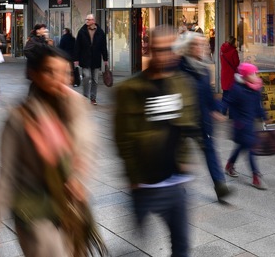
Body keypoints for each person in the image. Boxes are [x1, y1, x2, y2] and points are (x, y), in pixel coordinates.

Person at [0, 44, 107, 256]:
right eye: (50, 72)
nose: (60, 79)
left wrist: (79, 177)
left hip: (68, 205)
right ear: (34, 74)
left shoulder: (75, 106)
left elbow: (87, 146)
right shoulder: (18, 118)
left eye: (65, 73)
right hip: (33, 209)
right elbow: (6, 173)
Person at [113, 25, 199, 257]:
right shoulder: (130, 89)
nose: (164, 55)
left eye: (170, 49)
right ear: (149, 49)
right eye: (159, 50)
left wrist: (184, 159)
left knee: (181, 246)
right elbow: (123, 139)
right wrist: (134, 177)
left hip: (174, 182)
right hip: (145, 183)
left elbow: (188, 124)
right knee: (135, 243)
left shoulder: (183, 83)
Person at [176, 32, 230, 201]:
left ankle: (220, 186)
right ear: (188, 48)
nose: (201, 48)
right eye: (196, 45)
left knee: (210, 152)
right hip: (182, 121)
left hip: (202, 121)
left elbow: (208, 95)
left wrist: (217, 109)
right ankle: (178, 187)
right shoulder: (179, 67)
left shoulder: (204, 69)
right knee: (179, 154)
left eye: (203, 45)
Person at [222, 62, 269, 190]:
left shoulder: (256, 88)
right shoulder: (237, 89)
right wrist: (220, 112)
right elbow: (227, 101)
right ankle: (256, 177)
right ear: (246, 76)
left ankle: (229, 165)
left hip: (250, 123)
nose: (256, 76)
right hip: (240, 125)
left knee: (242, 146)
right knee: (250, 149)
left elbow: (258, 105)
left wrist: (264, 116)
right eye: (253, 73)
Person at [74, 14, 109, 105]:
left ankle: (93, 98)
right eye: (86, 19)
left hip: (96, 59)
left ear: (93, 21)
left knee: (95, 79)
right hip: (84, 59)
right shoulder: (81, 31)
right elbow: (77, 46)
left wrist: (105, 58)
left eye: (89, 20)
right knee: (86, 76)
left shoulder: (100, 32)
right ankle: (85, 96)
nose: (87, 21)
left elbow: (103, 46)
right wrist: (76, 59)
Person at [220, 35, 240, 100]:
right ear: (233, 42)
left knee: (225, 93)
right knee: (232, 94)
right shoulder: (234, 51)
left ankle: (223, 109)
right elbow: (236, 63)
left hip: (224, 73)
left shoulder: (222, 49)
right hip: (231, 74)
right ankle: (231, 109)